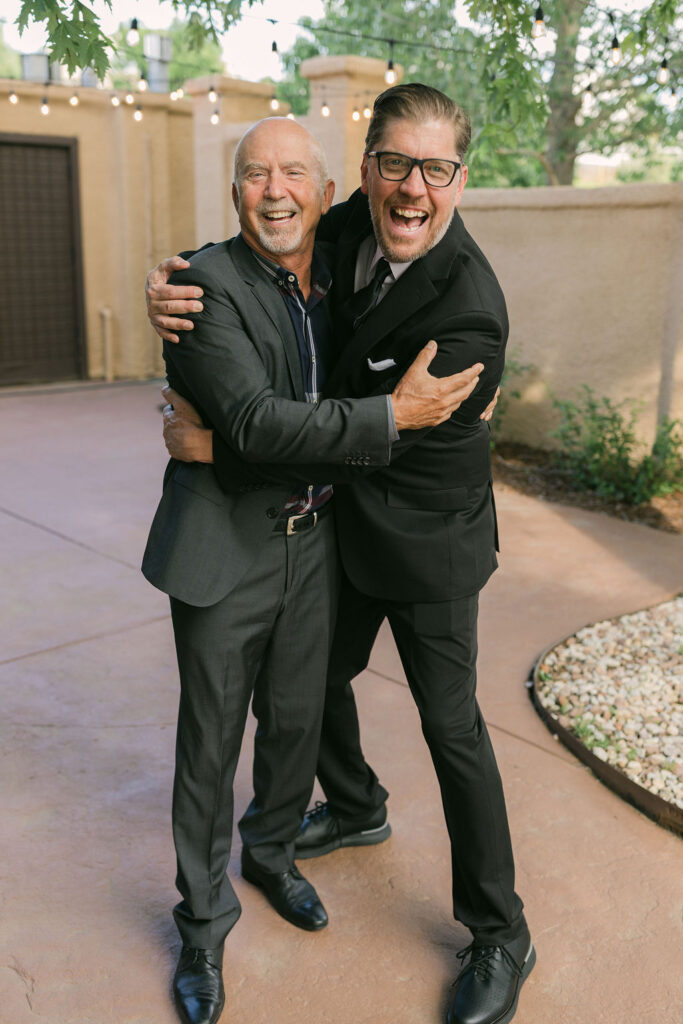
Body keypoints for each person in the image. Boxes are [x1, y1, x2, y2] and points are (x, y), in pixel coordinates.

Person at [148, 85, 535, 1024]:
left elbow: (402, 436)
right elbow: (273, 225)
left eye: (434, 171)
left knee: (454, 732)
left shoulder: (472, 309)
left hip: (430, 540)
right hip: (341, 521)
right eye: (394, 164)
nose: (411, 189)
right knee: (307, 684)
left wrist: (219, 445)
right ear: (359, 173)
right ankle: (355, 805)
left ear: (460, 180)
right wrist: (178, 286)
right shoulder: (353, 208)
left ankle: (500, 932)